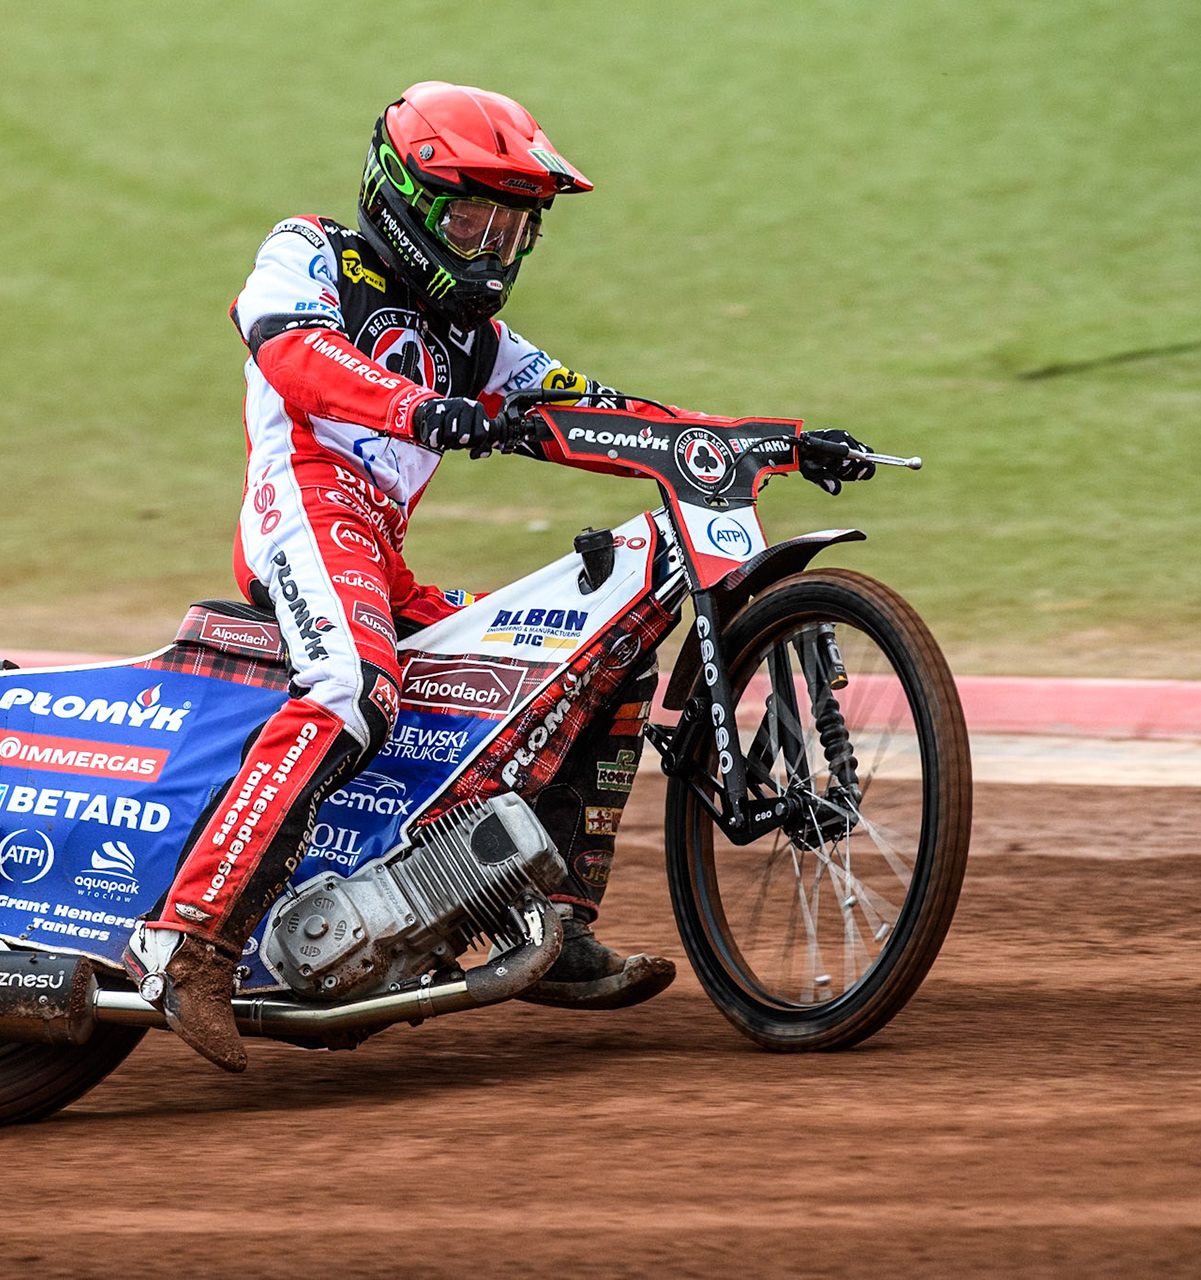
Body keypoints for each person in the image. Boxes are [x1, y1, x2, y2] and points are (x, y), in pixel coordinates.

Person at [126, 82, 873, 1072]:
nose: (494, 248)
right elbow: (295, 355)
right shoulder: (309, 250)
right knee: (352, 686)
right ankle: (191, 940)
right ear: (402, 195)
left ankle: (553, 927)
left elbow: (600, 411)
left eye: (515, 226)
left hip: (378, 550)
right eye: (473, 218)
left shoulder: (478, 344)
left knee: (591, 660)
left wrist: (764, 443)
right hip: (304, 508)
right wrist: (422, 409)